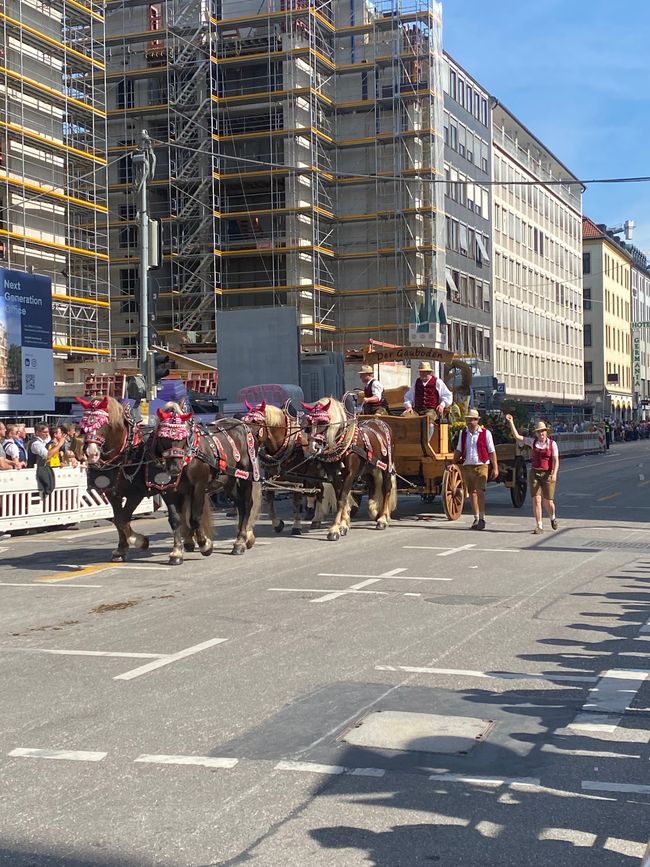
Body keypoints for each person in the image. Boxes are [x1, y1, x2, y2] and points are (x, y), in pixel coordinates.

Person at [505, 415, 559, 535]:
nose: (541, 434)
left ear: (546, 432)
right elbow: (517, 437)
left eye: (543, 431)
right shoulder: (532, 442)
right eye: (539, 432)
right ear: (536, 434)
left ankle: (552, 517)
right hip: (535, 472)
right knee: (536, 500)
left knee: (548, 501)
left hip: (548, 474)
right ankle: (539, 525)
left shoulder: (552, 444)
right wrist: (511, 422)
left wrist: (554, 474)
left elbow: (556, 461)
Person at [453, 408, 499, 530]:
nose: (469, 422)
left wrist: (495, 467)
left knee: (480, 492)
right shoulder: (463, 433)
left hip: (481, 465)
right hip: (468, 465)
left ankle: (482, 518)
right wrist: (453, 463)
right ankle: (476, 518)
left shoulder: (485, 433)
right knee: (472, 493)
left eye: (471, 420)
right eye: (467, 420)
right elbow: (458, 449)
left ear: (476, 420)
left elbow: (492, 451)